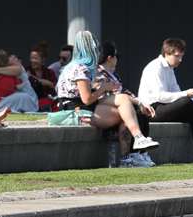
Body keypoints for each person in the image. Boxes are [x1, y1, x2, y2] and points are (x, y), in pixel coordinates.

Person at [52, 30, 158, 164]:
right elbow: (86, 99)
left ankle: (138, 140)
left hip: (81, 105)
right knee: (126, 113)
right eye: (95, 48)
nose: (97, 53)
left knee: (124, 102)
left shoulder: (71, 67)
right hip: (76, 109)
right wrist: (104, 88)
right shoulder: (80, 68)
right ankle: (129, 155)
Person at [136, 37, 193, 162]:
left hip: (164, 107)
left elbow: (176, 93)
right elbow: (160, 96)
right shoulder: (156, 67)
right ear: (167, 53)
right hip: (152, 110)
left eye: (181, 56)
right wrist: (187, 95)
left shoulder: (169, 69)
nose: (180, 60)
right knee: (187, 102)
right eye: (177, 56)